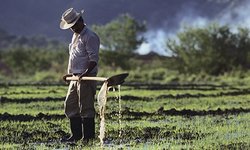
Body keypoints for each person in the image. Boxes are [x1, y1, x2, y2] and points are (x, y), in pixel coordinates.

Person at [59, 8, 100, 143]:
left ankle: (88, 138)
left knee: (86, 108)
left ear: (80, 22)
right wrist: (71, 74)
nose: (72, 29)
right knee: (70, 106)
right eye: (70, 27)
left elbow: (93, 59)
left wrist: (86, 73)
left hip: (86, 78)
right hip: (75, 77)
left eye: (74, 26)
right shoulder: (76, 36)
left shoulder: (90, 36)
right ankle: (76, 136)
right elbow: (76, 57)